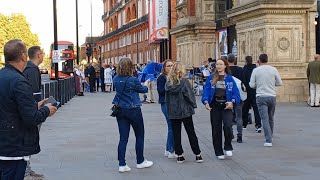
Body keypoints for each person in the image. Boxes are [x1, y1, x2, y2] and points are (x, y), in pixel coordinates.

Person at [0, 39, 57, 180]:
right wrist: (46, 110)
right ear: (23, 56)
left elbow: (8, 106)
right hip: (14, 146)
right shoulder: (19, 81)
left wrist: (35, 105)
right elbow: (31, 118)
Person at [112, 57, 153, 173]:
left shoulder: (115, 78)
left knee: (123, 138)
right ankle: (140, 161)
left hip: (120, 109)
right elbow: (144, 90)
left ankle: (122, 164)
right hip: (133, 109)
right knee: (139, 135)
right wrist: (146, 83)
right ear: (130, 67)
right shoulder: (133, 80)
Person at [165, 62, 204, 164]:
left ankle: (179, 155)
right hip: (185, 110)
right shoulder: (184, 82)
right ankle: (198, 154)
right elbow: (189, 95)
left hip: (173, 111)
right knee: (191, 132)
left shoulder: (168, 83)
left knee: (176, 133)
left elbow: (167, 98)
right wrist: (193, 105)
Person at [202, 59, 240, 160]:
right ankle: (218, 151)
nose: (218, 66)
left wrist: (232, 101)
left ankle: (228, 145)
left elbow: (236, 93)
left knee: (228, 126)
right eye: (217, 64)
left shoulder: (230, 79)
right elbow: (206, 91)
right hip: (215, 106)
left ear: (225, 66)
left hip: (226, 106)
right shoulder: (211, 78)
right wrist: (205, 101)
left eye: (220, 64)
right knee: (216, 129)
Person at [22, 46, 46, 179]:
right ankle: (26, 172)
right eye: (42, 53)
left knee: (29, 140)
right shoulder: (32, 69)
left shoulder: (28, 68)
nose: (43, 56)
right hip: (33, 111)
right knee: (29, 140)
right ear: (38, 55)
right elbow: (31, 93)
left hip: (33, 108)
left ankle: (27, 169)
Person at [250, 54, 282, 147]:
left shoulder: (256, 70)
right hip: (271, 96)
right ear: (267, 60)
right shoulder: (273, 69)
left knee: (264, 119)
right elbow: (279, 82)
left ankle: (268, 140)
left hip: (261, 96)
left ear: (259, 60)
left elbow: (252, 85)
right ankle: (270, 136)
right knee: (271, 117)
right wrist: (272, 84)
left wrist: (258, 85)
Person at [156, 59, 176, 158]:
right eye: (168, 66)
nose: (171, 67)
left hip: (174, 104)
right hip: (165, 103)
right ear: (164, 67)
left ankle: (169, 149)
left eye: (172, 65)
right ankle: (170, 150)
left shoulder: (174, 76)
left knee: (173, 126)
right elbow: (160, 91)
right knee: (171, 126)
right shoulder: (161, 78)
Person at [227, 53, 244, 143]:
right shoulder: (240, 70)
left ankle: (230, 134)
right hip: (239, 95)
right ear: (235, 60)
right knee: (239, 117)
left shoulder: (226, 70)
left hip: (228, 96)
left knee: (228, 116)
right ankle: (240, 136)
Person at [242, 56, 261, 132]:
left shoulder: (244, 70)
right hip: (255, 91)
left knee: (245, 109)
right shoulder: (256, 69)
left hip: (247, 92)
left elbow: (243, 80)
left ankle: (244, 124)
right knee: (256, 109)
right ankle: (258, 125)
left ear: (246, 61)